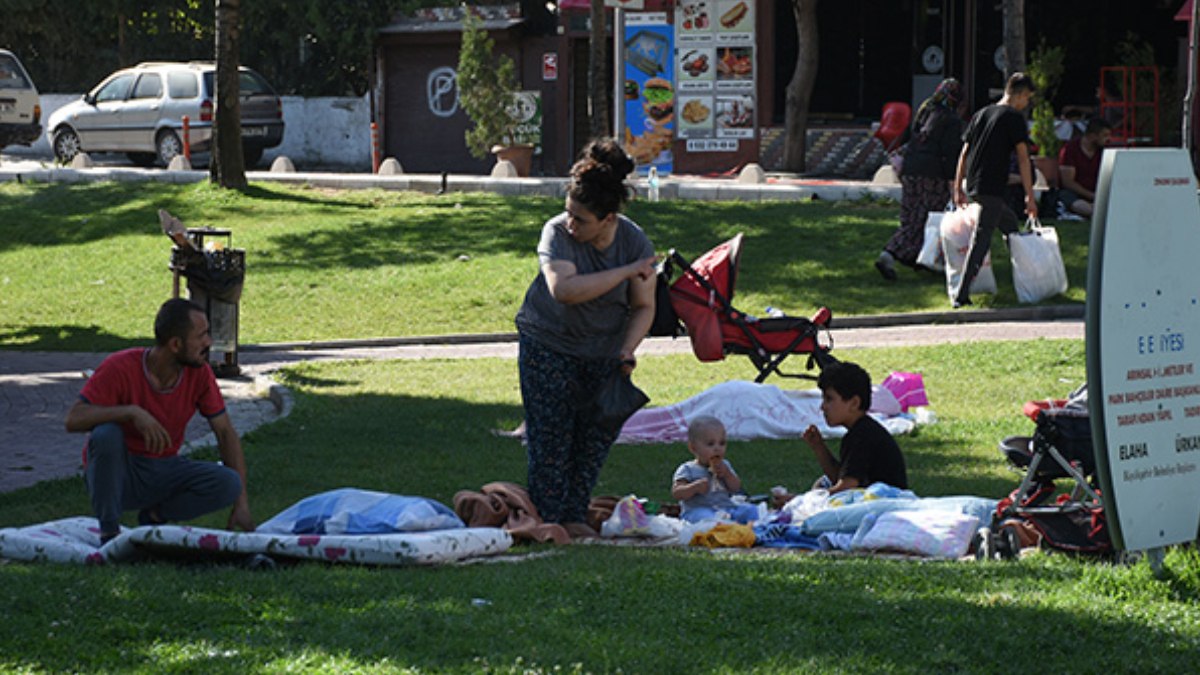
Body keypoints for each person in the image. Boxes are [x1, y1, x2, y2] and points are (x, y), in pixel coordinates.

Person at [514, 137, 658, 539]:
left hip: (602, 352)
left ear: (609, 218)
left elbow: (644, 307)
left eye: (582, 219)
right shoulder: (556, 233)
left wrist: (627, 349)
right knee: (551, 439)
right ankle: (547, 518)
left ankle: (573, 514)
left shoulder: (633, 241)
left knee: (592, 439)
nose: (571, 225)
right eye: (569, 213)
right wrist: (626, 272)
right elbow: (564, 289)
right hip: (548, 344)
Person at [65, 298, 254, 544]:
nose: (209, 343)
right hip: (121, 474)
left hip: (165, 469)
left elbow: (225, 433)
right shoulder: (120, 366)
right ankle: (109, 534)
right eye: (202, 336)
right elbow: (74, 419)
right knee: (106, 434)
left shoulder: (200, 373)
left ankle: (154, 517)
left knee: (228, 483)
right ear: (175, 344)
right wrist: (131, 412)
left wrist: (241, 503)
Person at [951, 72, 1038, 308]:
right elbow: (1023, 159)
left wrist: (958, 185)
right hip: (992, 186)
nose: (1027, 103)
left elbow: (964, 153)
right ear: (1019, 95)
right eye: (1027, 98)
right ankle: (962, 294)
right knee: (982, 237)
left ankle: (1029, 280)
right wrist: (1030, 195)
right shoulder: (1013, 118)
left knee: (1011, 229)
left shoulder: (981, 113)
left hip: (975, 184)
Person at [876, 78, 964, 280]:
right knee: (925, 218)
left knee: (911, 214)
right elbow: (951, 153)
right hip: (933, 175)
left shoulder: (924, 111)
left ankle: (918, 258)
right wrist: (954, 182)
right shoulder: (951, 120)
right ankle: (890, 253)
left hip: (911, 169)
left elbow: (909, 138)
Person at [801, 361, 908, 494]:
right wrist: (818, 446)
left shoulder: (863, 436)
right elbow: (839, 478)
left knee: (820, 493)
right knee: (822, 483)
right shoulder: (858, 432)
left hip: (884, 503)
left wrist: (803, 500)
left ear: (854, 403)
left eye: (829, 399)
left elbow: (846, 489)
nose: (823, 407)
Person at [671, 415, 760, 524]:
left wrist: (727, 474)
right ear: (693, 448)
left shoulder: (725, 465)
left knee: (751, 510)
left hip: (725, 508)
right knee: (706, 517)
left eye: (722, 443)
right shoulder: (688, 469)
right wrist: (694, 487)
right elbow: (677, 493)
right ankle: (723, 526)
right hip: (698, 510)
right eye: (710, 444)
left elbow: (736, 487)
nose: (717, 449)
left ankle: (741, 525)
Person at [1057, 117, 1111, 218]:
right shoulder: (1071, 149)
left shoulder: (1104, 152)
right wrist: (1091, 195)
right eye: (1104, 135)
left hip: (1098, 192)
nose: (1108, 139)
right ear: (1092, 136)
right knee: (1072, 201)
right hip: (1075, 194)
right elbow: (1068, 182)